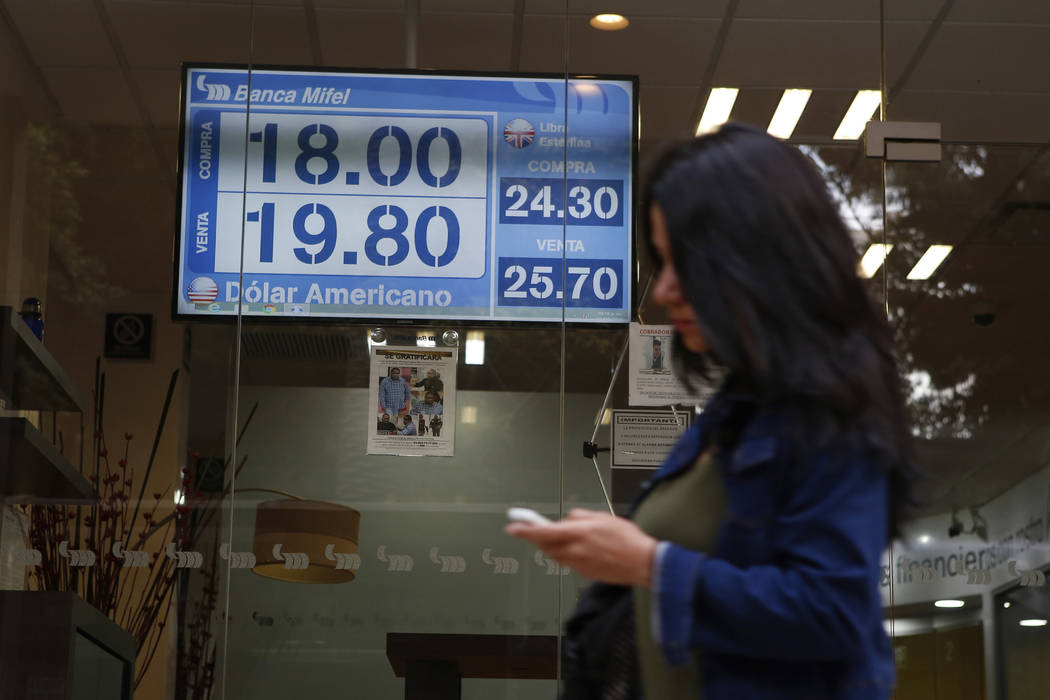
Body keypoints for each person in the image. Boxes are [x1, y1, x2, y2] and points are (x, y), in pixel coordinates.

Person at [508, 124, 915, 700]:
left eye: (685, 264)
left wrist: (649, 562)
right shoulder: (740, 411)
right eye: (662, 262)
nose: (664, 290)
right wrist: (624, 552)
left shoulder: (832, 408)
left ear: (756, 260)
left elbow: (833, 612)